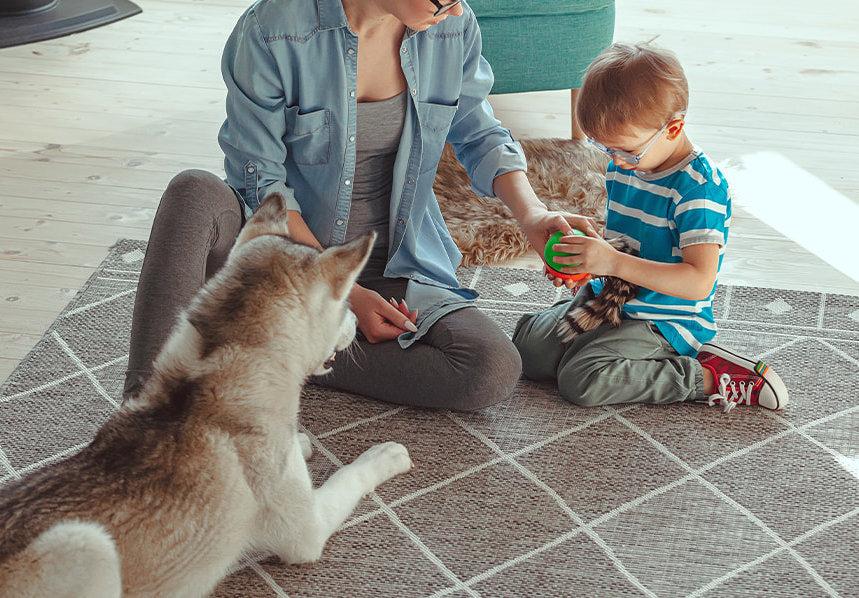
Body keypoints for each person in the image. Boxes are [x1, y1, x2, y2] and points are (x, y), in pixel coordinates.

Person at [123, 0, 597, 411]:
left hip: (392, 262)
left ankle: (254, 337)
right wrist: (340, 292)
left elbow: (478, 131)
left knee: (489, 368)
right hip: (278, 252)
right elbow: (262, 187)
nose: (455, 9)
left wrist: (532, 213)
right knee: (193, 190)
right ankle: (145, 412)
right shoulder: (273, 31)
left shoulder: (452, 25)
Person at [511, 42, 789, 412]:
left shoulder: (698, 190)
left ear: (673, 128)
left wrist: (612, 263)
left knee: (580, 380)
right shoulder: (628, 166)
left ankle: (710, 376)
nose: (616, 162)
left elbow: (699, 282)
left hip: (666, 319)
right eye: (604, 149)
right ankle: (594, 344)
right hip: (612, 296)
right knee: (527, 351)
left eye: (626, 151)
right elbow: (627, 244)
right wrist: (590, 262)